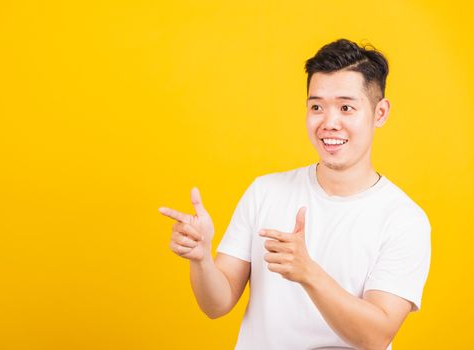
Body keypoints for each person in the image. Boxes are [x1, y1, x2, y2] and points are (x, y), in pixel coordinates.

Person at [158, 38, 431, 350]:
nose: (329, 123)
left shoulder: (404, 219)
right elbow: (215, 305)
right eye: (317, 107)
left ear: (379, 113)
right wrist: (201, 259)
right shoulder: (265, 192)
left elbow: (376, 336)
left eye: (346, 108)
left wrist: (308, 272)